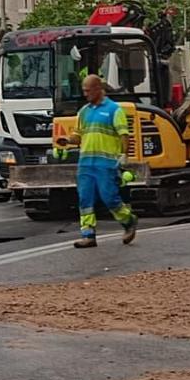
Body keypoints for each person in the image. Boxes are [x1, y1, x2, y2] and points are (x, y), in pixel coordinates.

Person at [61, 73, 138, 249]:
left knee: (109, 198)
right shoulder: (84, 112)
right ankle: (88, 235)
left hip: (106, 164)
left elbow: (124, 135)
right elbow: (78, 135)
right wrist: (68, 140)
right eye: (84, 91)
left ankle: (128, 221)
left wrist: (124, 155)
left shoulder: (113, 110)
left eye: (88, 90)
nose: (85, 94)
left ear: (98, 89)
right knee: (85, 199)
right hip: (86, 163)